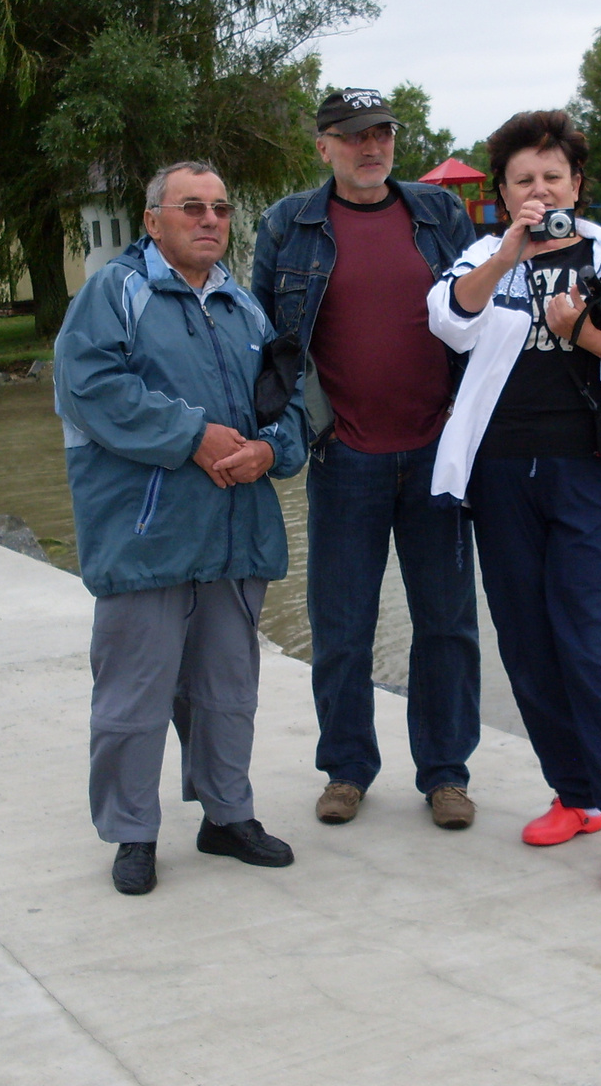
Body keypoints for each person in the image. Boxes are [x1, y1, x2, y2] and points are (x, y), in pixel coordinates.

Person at [427, 110, 601, 891]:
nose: (539, 191)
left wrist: (583, 334)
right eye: (522, 181)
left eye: (553, 177)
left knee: (598, 651)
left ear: (578, 183)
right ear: (502, 192)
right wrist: (510, 250)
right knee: (530, 648)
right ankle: (575, 796)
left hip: (593, 478)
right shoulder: (484, 255)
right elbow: (447, 319)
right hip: (501, 480)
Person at [55, 161, 307, 895]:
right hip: (147, 539)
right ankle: (133, 831)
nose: (209, 220)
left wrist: (268, 449)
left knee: (228, 689)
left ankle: (227, 815)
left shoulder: (245, 308)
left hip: (235, 535)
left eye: (222, 209)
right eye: (191, 207)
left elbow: (290, 402)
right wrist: (194, 436)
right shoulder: (113, 294)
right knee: (134, 697)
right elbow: (90, 388)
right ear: (152, 220)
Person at [253, 88, 482, 829]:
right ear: (324, 145)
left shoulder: (439, 215)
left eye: (381, 132)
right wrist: (281, 434)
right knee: (341, 626)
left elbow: (486, 310)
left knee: (446, 624)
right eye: (353, 136)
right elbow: (268, 349)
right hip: (344, 458)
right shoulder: (289, 225)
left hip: (437, 458)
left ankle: (446, 774)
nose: (371, 146)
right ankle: (347, 769)